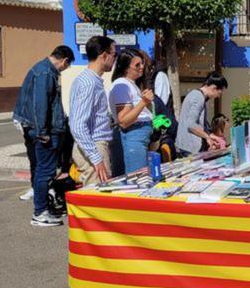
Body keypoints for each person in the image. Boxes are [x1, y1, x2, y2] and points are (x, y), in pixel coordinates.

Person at [12, 45, 74, 226]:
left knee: (40, 170)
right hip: (44, 131)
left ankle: (43, 208)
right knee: (44, 172)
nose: (64, 70)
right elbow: (41, 105)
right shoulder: (46, 73)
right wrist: (43, 133)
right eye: (66, 66)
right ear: (64, 60)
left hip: (35, 128)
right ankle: (40, 213)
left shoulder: (40, 69)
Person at [70, 35, 116, 185]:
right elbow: (77, 124)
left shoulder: (88, 79)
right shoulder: (89, 83)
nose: (114, 59)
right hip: (94, 145)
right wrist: (96, 158)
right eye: (113, 54)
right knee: (98, 195)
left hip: (93, 145)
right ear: (104, 55)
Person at [109, 49, 155, 174]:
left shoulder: (130, 84)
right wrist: (143, 102)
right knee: (137, 177)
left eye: (142, 63)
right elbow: (124, 121)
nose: (142, 67)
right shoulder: (122, 85)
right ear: (125, 68)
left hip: (138, 135)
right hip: (133, 135)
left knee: (141, 176)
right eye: (137, 65)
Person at [176, 72, 227, 156]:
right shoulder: (198, 98)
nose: (217, 96)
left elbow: (199, 124)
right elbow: (191, 125)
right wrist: (207, 137)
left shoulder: (196, 94)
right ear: (214, 88)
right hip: (189, 148)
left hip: (186, 146)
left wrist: (211, 136)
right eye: (219, 93)